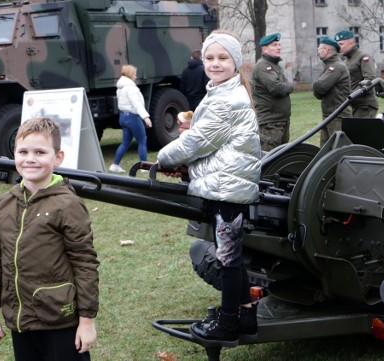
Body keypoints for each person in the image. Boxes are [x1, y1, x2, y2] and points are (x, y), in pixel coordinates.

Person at [156, 30, 261, 347]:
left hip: (228, 190)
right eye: (210, 58)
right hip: (225, 186)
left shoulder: (227, 99)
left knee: (228, 259)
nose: (215, 64)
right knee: (233, 258)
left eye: (222, 58)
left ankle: (228, 325)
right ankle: (245, 315)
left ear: (235, 63)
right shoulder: (219, 92)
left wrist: (163, 157)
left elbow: (197, 143)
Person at [0, 117, 100, 360]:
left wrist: (87, 321)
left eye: (40, 152)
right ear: (14, 154)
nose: (30, 158)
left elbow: (85, 264)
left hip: (59, 319)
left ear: (57, 157)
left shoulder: (68, 204)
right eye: (23, 151)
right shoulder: (2, 205)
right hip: (20, 320)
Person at [252, 32, 294, 152]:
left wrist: (285, 86)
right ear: (265, 48)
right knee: (270, 159)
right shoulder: (263, 67)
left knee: (281, 158)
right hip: (270, 123)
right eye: (275, 45)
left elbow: (282, 86)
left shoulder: (275, 66)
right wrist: (290, 86)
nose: (279, 47)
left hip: (280, 121)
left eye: (279, 45)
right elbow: (277, 88)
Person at [110, 64, 153, 173]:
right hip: (133, 117)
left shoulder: (121, 87)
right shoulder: (131, 88)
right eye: (134, 74)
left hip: (123, 117)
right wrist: (146, 117)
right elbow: (137, 104)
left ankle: (115, 164)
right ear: (130, 75)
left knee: (125, 142)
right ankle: (145, 167)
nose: (136, 76)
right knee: (142, 140)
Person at [312, 35, 352, 146]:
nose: (318, 52)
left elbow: (319, 87)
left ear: (326, 50)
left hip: (338, 117)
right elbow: (319, 92)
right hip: (331, 115)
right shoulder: (329, 66)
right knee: (325, 151)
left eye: (319, 49)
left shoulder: (336, 67)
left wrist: (316, 87)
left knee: (337, 151)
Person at [334, 30, 379, 117]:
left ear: (351, 43)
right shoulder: (346, 61)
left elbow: (370, 79)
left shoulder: (364, 57)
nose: (339, 48)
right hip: (352, 105)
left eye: (341, 44)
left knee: (359, 130)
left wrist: (352, 95)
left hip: (365, 105)